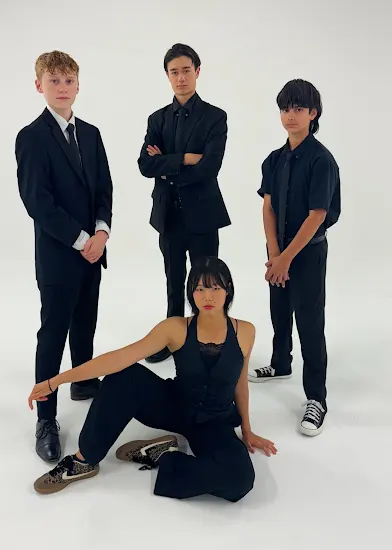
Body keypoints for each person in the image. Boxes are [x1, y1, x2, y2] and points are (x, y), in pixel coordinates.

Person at [28, 257, 277, 501]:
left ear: (228, 289)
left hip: (214, 422)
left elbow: (240, 385)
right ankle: (83, 461)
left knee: (240, 479)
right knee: (124, 374)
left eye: (215, 288)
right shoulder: (175, 328)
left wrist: (247, 430)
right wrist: (56, 381)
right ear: (191, 293)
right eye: (200, 289)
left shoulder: (245, 332)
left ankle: (162, 455)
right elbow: (120, 357)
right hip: (175, 407)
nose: (207, 297)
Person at [15, 50, 113, 463]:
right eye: (53, 81)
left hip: (93, 252)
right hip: (60, 255)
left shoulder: (91, 133)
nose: (62, 87)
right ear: (39, 85)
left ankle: (83, 380)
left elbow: (104, 188)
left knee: (85, 322)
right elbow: (37, 201)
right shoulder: (31, 137)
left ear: (78, 85)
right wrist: (81, 239)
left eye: (68, 80)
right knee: (53, 334)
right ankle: (46, 418)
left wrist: (102, 232)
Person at [248, 79, 341, 437]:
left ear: (313, 113)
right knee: (279, 308)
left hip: (308, 251)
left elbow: (318, 215)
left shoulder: (321, 160)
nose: (290, 115)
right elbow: (268, 206)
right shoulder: (274, 159)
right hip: (279, 252)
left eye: (298, 109)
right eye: (285, 109)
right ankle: (280, 363)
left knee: (310, 322)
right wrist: (274, 254)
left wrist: (286, 258)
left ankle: (316, 398)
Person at [138, 43, 231, 364]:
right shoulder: (157, 119)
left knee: (208, 283)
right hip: (168, 216)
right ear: (167, 75)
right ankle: (172, 339)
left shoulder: (215, 117)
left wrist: (166, 164)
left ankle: (210, 342)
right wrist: (186, 159)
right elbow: (144, 165)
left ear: (197, 72)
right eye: (174, 72)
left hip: (203, 215)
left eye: (186, 71)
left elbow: (210, 168)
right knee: (174, 281)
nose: (181, 78)